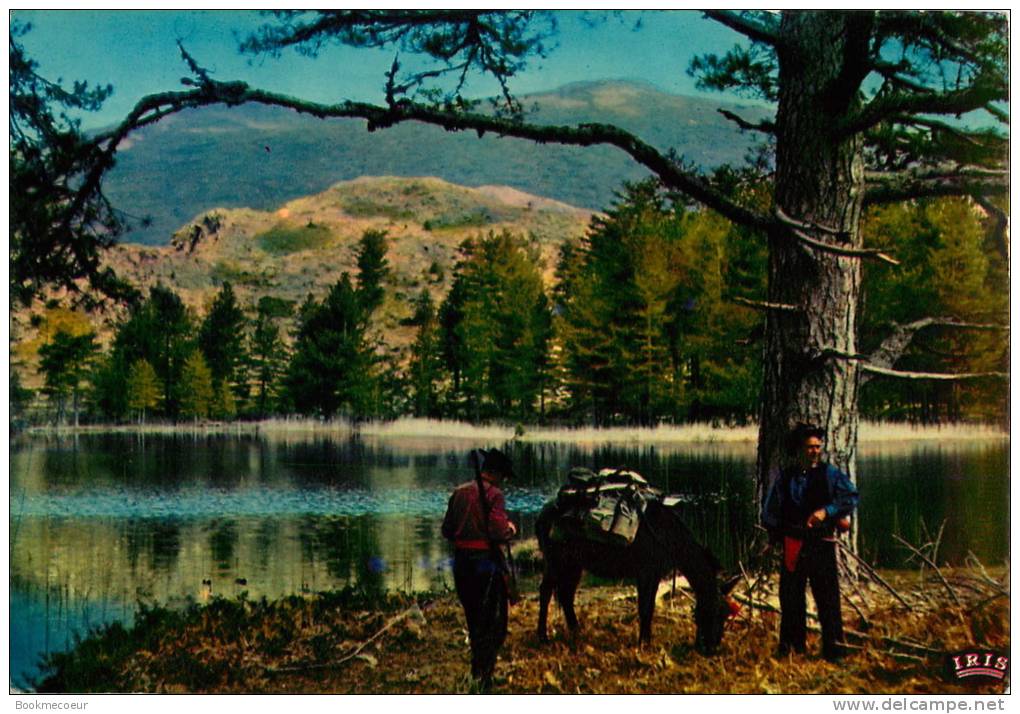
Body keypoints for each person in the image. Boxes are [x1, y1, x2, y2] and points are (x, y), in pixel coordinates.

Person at [762, 423, 859, 662]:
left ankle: (834, 651)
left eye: (818, 446)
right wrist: (773, 537)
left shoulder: (830, 474)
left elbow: (851, 496)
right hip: (793, 545)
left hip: (821, 544)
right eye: (809, 447)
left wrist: (827, 512)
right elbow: (770, 512)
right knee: (791, 599)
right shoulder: (785, 478)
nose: (815, 451)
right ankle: (792, 651)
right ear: (799, 449)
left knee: (828, 599)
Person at [441, 448, 517, 690]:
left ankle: (477, 670)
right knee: (494, 622)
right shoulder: (494, 495)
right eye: (503, 476)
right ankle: (485, 674)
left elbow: (447, 530)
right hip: (486, 562)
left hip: (462, 562)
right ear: (495, 473)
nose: (503, 481)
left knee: (474, 618)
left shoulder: (460, 492)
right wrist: (510, 530)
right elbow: (497, 531)